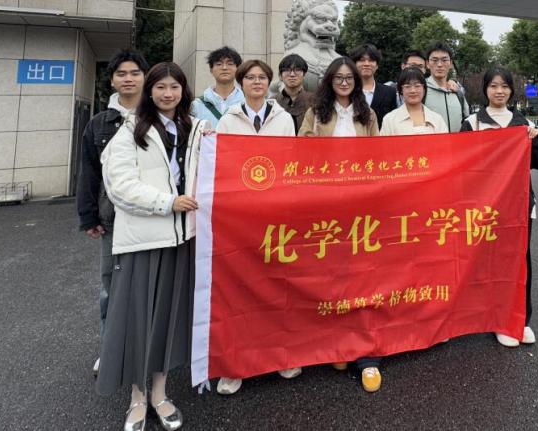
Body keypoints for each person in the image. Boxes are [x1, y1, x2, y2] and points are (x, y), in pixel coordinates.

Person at [98, 62, 206, 431]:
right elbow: (119, 187)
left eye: (174, 86)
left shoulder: (195, 129)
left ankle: (160, 393)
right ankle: (137, 399)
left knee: (167, 322)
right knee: (136, 321)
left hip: (182, 240)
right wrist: (167, 203)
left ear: (183, 91)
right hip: (142, 242)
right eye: (160, 87)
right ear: (150, 91)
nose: (167, 93)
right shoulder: (131, 130)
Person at [213, 59, 301, 395]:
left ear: (269, 82)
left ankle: (282, 356)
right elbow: (221, 166)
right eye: (250, 77)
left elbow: (291, 162)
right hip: (239, 217)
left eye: (262, 77)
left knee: (278, 286)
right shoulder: (228, 119)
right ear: (241, 83)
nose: (256, 82)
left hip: (276, 213)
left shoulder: (283, 119)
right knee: (238, 289)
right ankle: (234, 365)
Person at [298, 57, 381, 392]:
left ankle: (366, 355)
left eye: (349, 78)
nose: (344, 82)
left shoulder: (367, 114)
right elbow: (300, 152)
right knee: (330, 275)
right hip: (326, 203)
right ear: (329, 81)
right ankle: (336, 344)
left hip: (361, 204)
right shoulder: (316, 113)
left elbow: (380, 157)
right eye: (338, 77)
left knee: (363, 275)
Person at [460, 66, 538, 349]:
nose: (499, 91)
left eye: (505, 86)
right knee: (489, 262)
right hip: (484, 207)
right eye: (494, 86)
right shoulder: (472, 123)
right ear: (485, 89)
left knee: (520, 260)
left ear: (512, 90)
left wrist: (534, 139)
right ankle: (496, 319)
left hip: (519, 206)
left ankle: (521, 319)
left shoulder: (523, 123)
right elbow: (462, 164)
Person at [76, 49, 149, 378]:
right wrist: (88, 216)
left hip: (154, 216)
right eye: (122, 74)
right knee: (112, 285)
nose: (128, 79)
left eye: (135, 73)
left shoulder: (158, 117)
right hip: (113, 217)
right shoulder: (99, 124)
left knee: (150, 282)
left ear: (145, 78)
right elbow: (89, 171)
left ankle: (148, 347)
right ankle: (109, 348)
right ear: (112, 81)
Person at [380, 67, 447, 136]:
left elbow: (445, 142)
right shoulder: (389, 119)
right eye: (407, 86)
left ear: (424, 89)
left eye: (417, 86)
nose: (413, 90)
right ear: (401, 90)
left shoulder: (437, 119)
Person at [189, 46, 243, 126]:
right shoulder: (196, 106)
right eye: (219, 64)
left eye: (230, 64)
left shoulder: (247, 103)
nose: (224, 68)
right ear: (211, 70)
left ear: (238, 69)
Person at [423, 42, 469, 132]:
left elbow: (466, 121)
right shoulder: (421, 91)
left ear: (451, 63)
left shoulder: (458, 93)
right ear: (427, 64)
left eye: (444, 60)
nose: (439, 64)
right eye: (434, 60)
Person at [350, 43, 398, 127]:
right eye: (362, 60)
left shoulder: (390, 92)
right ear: (354, 64)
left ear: (377, 65)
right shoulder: (347, 91)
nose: (366, 64)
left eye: (371, 60)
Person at [271, 53, 315, 133]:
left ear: (304, 74)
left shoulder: (314, 101)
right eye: (287, 70)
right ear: (280, 75)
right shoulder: (272, 102)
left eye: (297, 70)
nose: (292, 74)